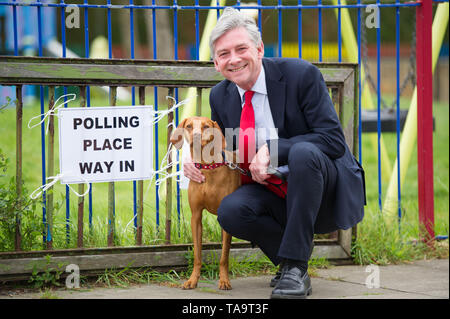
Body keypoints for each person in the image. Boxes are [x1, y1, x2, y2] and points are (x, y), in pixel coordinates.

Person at [183, 7, 366, 299]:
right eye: (224, 54)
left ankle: (294, 266)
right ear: (216, 63)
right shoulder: (221, 95)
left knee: (303, 153)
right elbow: (222, 144)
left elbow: (332, 141)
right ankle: (290, 263)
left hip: (320, 191)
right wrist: (188, 157)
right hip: (272, 193)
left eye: (241, 48)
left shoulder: (301, 74)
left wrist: (273, 150)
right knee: (230, 211)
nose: (234, 59)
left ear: (259, 49)